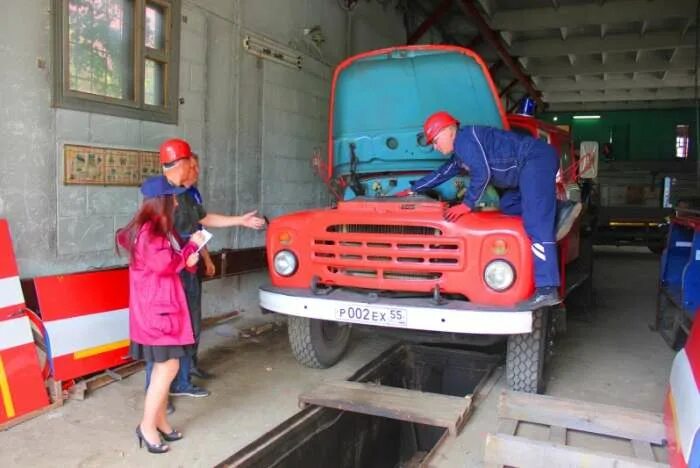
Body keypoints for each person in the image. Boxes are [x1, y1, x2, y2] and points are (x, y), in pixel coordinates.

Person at [396, 111, 581, 308]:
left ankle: (547, 289)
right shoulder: (460, 153)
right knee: (508, 204)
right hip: (524, 169)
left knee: (536, 223)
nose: (435, 146)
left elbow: (481, 173)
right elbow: (443, 173)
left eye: (436, 140)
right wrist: (413, 189)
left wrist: (467, 204)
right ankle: (558, 209)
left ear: (449, 131)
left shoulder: (465, 140)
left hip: (534, 159)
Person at [153, 139, 265, 402]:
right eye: (193, 167)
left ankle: (183, 378)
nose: (197, 172)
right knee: (168, 332)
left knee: (190, 323)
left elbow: (201, 224)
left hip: (188, 269)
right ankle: (159, 396)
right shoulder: (159, 195)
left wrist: (240, 221)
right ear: (181, 165)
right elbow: (156, 240)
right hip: (169, 273)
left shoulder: (188, 196)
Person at [116, 175, 206, 454]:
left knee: (166, 368)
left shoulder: (161, 229)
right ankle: (146, 427)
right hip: (159, 315)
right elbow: (165, 264)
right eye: (174, 197)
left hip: (163, 310)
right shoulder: (151, 233)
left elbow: (179, 261)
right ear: (163, 201)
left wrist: (190, 255)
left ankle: (161, 421)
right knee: (167, 368)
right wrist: (192, 248)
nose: (178, 201)